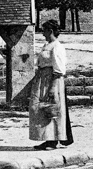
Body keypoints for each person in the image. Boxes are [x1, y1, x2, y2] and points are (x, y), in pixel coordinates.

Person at [30, 20, 73, 150]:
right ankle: (47, 138)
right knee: (40, 108)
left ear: (51, 31)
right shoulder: (47, 45)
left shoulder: (57, 47)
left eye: (45, 31)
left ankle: (53, 140)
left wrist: (53, 87)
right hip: (42, 79)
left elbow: (59, 69)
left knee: (50, 107)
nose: (43, 34)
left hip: (52, 79)